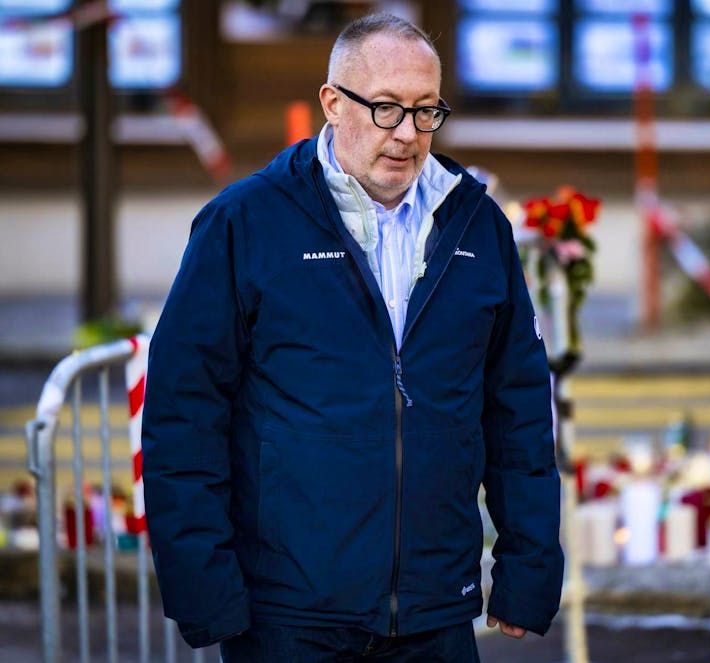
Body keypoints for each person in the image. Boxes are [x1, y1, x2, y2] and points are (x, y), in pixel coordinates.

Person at [141, 12, 564, 661]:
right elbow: (182, 415)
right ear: (333, 104)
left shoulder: (478, 224)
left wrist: (529, 569)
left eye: (426, 111)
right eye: (387, 108)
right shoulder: (243, 223)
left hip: (437, 611)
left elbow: (518, 409)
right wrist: (204, 590)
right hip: (288, 617)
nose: (407, 134)